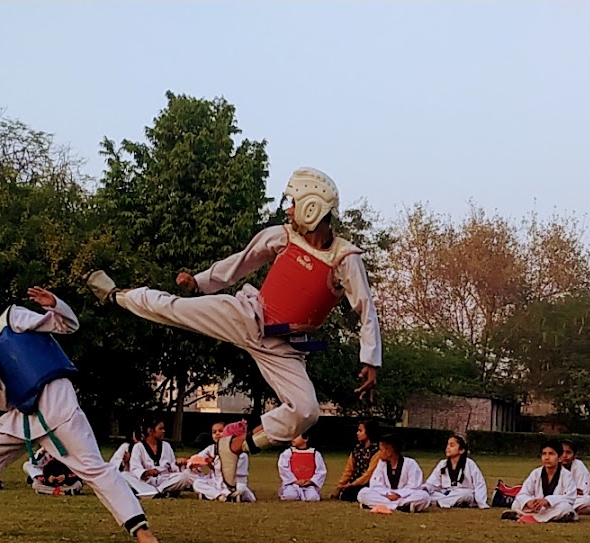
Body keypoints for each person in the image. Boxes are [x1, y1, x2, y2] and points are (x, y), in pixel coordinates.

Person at [86, 167, 381, 486]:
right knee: (175, 309)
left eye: (293, 202)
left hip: (285, 348)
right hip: (247, 317)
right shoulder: (282, 235)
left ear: (311, 207)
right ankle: (116, 295)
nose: (288, 209)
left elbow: (365, 307)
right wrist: (200, 282)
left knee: (306, 411)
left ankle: (235, 446)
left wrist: (370, 360)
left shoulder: (344, 257)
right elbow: (242, 262)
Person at [0, 286, 163, 543]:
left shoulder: (15, 318)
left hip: (57, 406)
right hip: (22, 417)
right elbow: (2, 404)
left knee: (94, 468)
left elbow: (67, 325)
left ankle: (141, 529)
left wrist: (54, 304)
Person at [506, 440, 579, 523]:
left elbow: (570, 497)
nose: (547, 457)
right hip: (536, 508)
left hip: (552, 507)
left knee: (565, 507)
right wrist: (529, 502)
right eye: (544, 454)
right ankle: (543, 517)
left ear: (559, 458)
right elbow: (523, 493)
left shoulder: (566, 475)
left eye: (551, 454)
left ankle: (526, 517)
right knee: (516, 504)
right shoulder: (536, 473)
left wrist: (547, 501)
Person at [357, 434, 429, 512]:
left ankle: (376, 505)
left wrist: (398, 494)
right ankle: (398, 507)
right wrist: (387, 494)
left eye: (381, 450)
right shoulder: (382, 464)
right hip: (386, 497)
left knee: (424, 496)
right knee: (363, 493)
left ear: (389, 452)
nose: (379, 453)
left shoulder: (411, 463)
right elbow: (375, 484)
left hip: (404, 497)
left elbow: (414, 486)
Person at [127, 419, 193, 498]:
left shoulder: (166, 446)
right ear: (150, 431)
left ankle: (157, 492)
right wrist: (146, 472)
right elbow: (134, 468)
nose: (163, 431)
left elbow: (173, 466)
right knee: (125, 475)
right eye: (160, 429)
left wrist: (178, 464)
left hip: (164, 480)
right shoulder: (138, 447)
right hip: (147, 481)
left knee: (184, 477)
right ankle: (151, 491)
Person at [189, 423, 255, 502]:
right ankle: (220, 496)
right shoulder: (212, 448)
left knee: (241, 488)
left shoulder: (241, 454)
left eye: (220, 431)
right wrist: (193, 463)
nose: (217, 434)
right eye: (214, 432)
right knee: (197, 483)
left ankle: (227, 494)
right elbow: (197, 458)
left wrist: (212, 463)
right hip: (217, 481)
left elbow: (229, 469)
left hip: (235, 482)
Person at [423, 434, 489, 509]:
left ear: (461, 450)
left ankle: (440, 502)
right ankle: (447, 501)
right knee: (429, 494)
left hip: (463, 493)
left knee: (466, 494)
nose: (448, 448)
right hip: (445, 493)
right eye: (447, 445)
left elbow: (479, 483)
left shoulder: (469, 464)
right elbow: (432, 482)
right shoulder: (442, 464)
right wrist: (425, 489)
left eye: (452, 445)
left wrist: (481, 502)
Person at [332, 420, 382, 502]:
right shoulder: (356, 450)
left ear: (369, 432)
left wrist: (352, 484)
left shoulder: (377, 451)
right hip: (354, 483)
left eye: (360, 431)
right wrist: (340, 485)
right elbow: (349, 470)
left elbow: (369, 474)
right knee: (347, 494)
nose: (357, 433)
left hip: (369, 483)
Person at [278, 431, 327, 502]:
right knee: (290, 496)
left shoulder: (315, 453)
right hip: (292, 484)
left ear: (306, 438)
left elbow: (321, 470)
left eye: (296, 436)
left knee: (313, 498)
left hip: (308, 485)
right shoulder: (289, 452)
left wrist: (311, 481)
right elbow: (283, 467)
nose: (292, 439)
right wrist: (294, 480)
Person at [559, 440, 590, 515]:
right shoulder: (553, 466)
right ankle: (575, 510)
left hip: (571, 499)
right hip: (555, 499)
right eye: (562, 452)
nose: (565, 456)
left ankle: (565, 510)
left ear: (574, 455)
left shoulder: (579, 466)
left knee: (587, 499)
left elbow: (583, 492)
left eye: (568, 452)